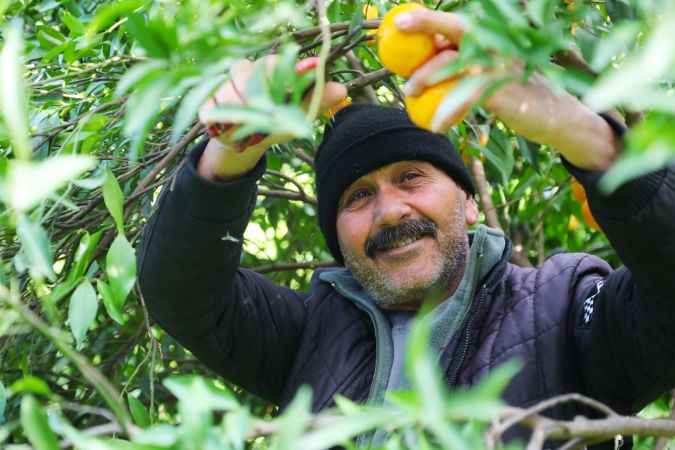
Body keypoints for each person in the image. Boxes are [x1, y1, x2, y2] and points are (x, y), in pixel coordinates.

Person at [137, 7, 675, 449]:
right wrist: (228, 155)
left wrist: (586, 137)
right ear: (338, 242)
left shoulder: (564, 308)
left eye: (411, 178)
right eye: (358, 196)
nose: (390, 211)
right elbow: (181, 293)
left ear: (468, 203)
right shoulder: (308, 339)